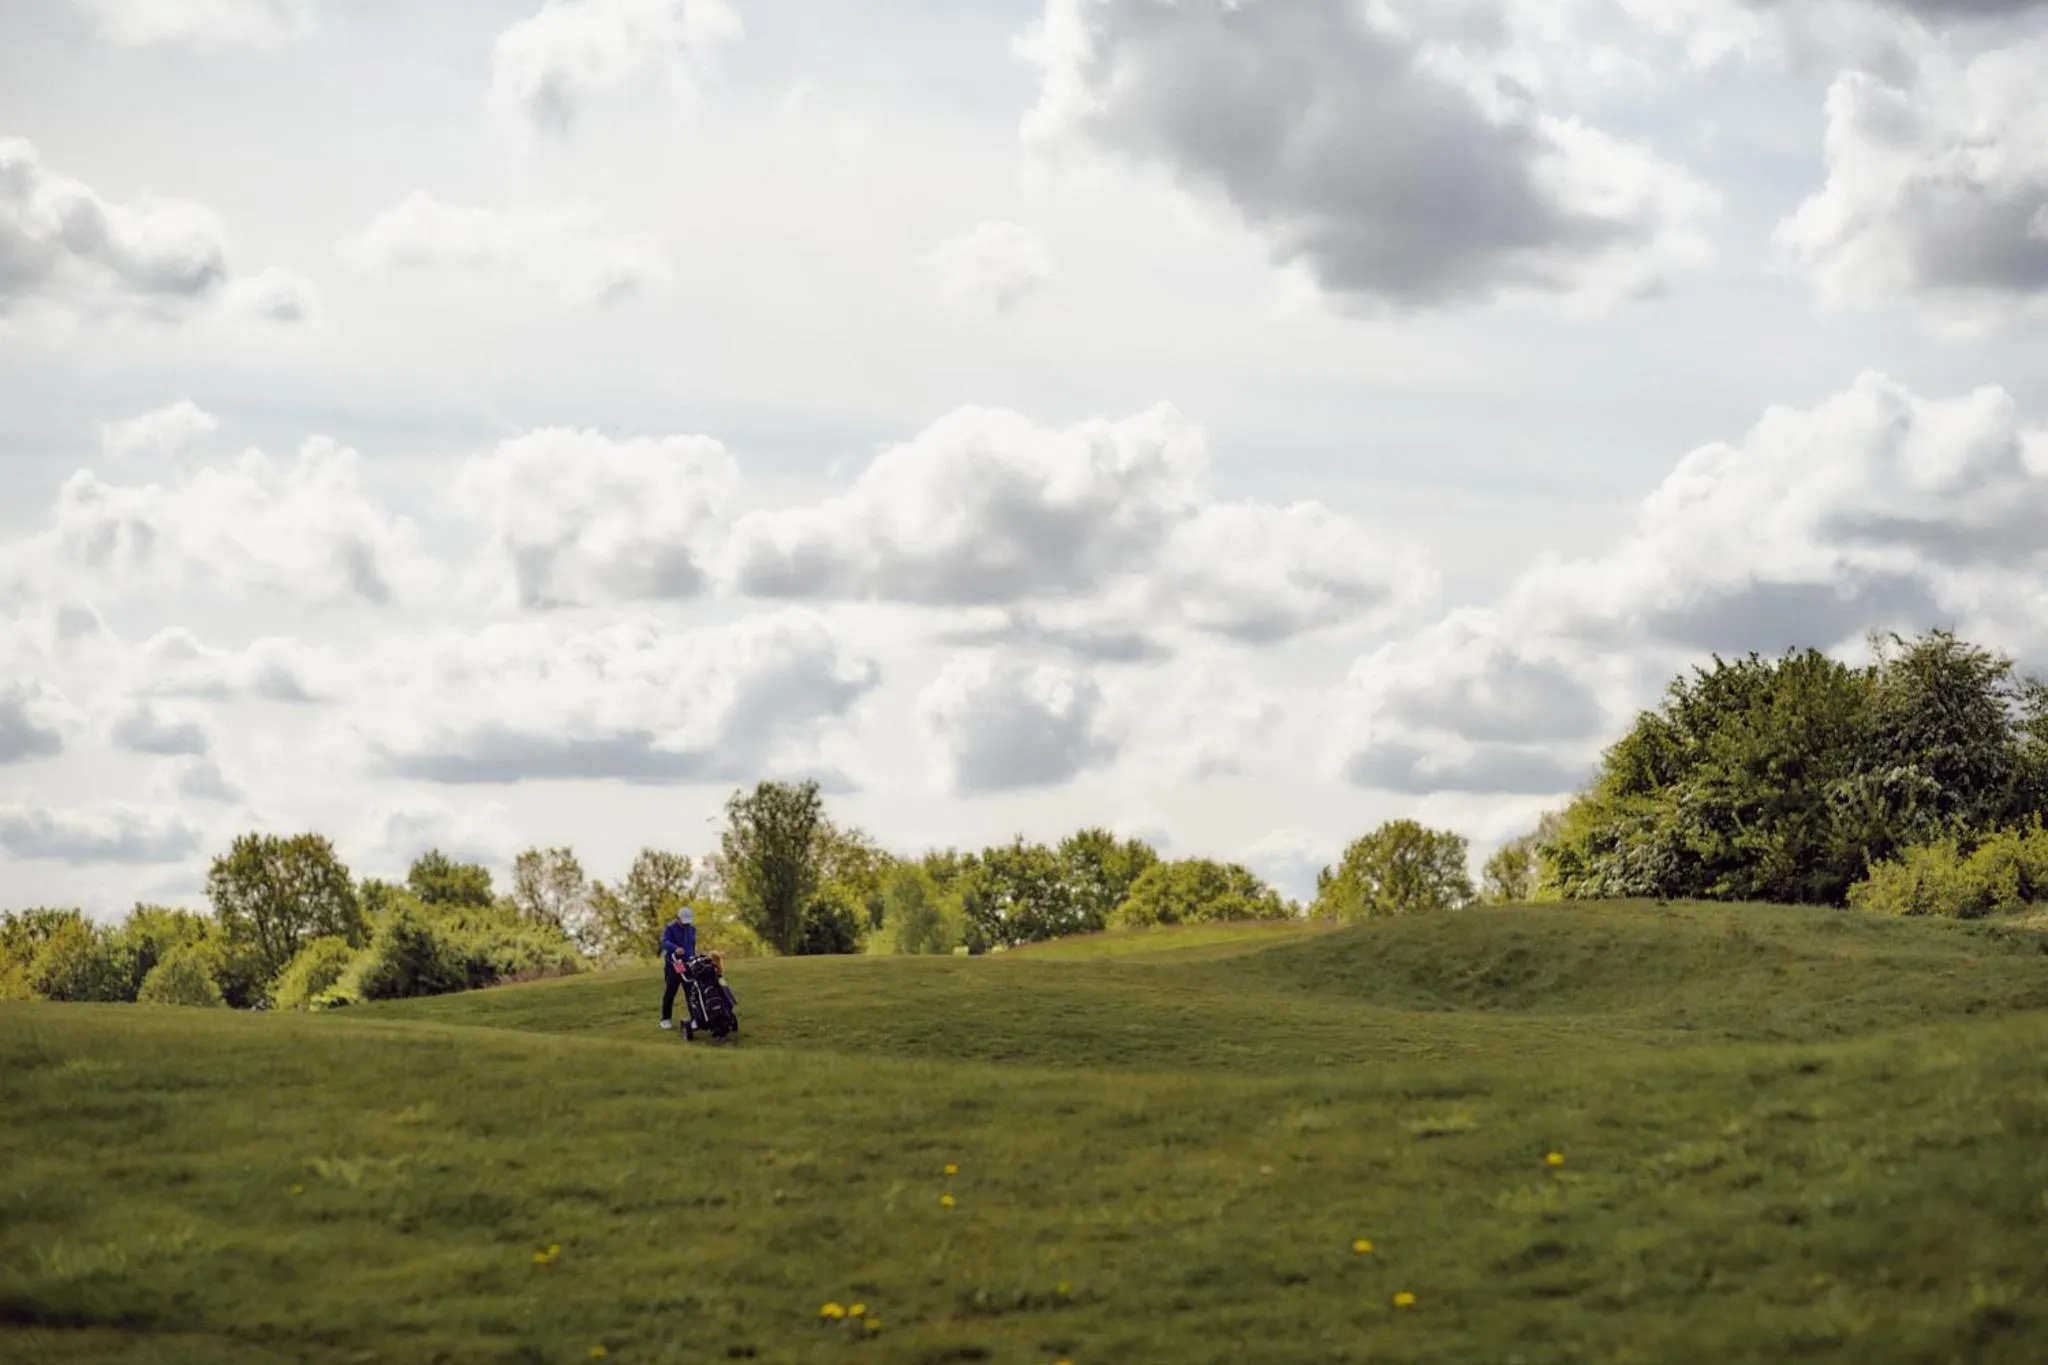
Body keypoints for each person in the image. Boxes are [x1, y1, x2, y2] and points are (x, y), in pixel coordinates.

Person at [658, 905, 696, 1031]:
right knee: (671, 991)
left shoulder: (692, 929)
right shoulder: (670, 928)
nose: (686, 925)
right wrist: (676, 948)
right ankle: (665, 1018)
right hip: (674, 964)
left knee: (691, 992)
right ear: (677, 918)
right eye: (683, 922)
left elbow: (692, 945)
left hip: (687, 964)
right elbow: (665, 942)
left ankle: (695, 1017)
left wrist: (693, 957)